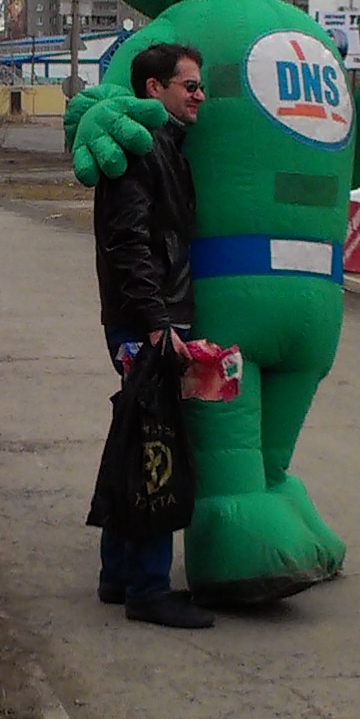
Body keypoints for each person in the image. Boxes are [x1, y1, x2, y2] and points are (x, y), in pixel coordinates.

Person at [91, 40, 212, 629]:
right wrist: (159, 323)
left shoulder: (164, 145)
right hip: (148, 321)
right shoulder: (139, 149)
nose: (199, 96)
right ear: (153, 89)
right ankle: (147, 588)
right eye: (189, 85)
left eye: (200, 86)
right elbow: (130, 243)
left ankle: (119, 574)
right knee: (156, 448)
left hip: (148, 317)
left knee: (137, 439)